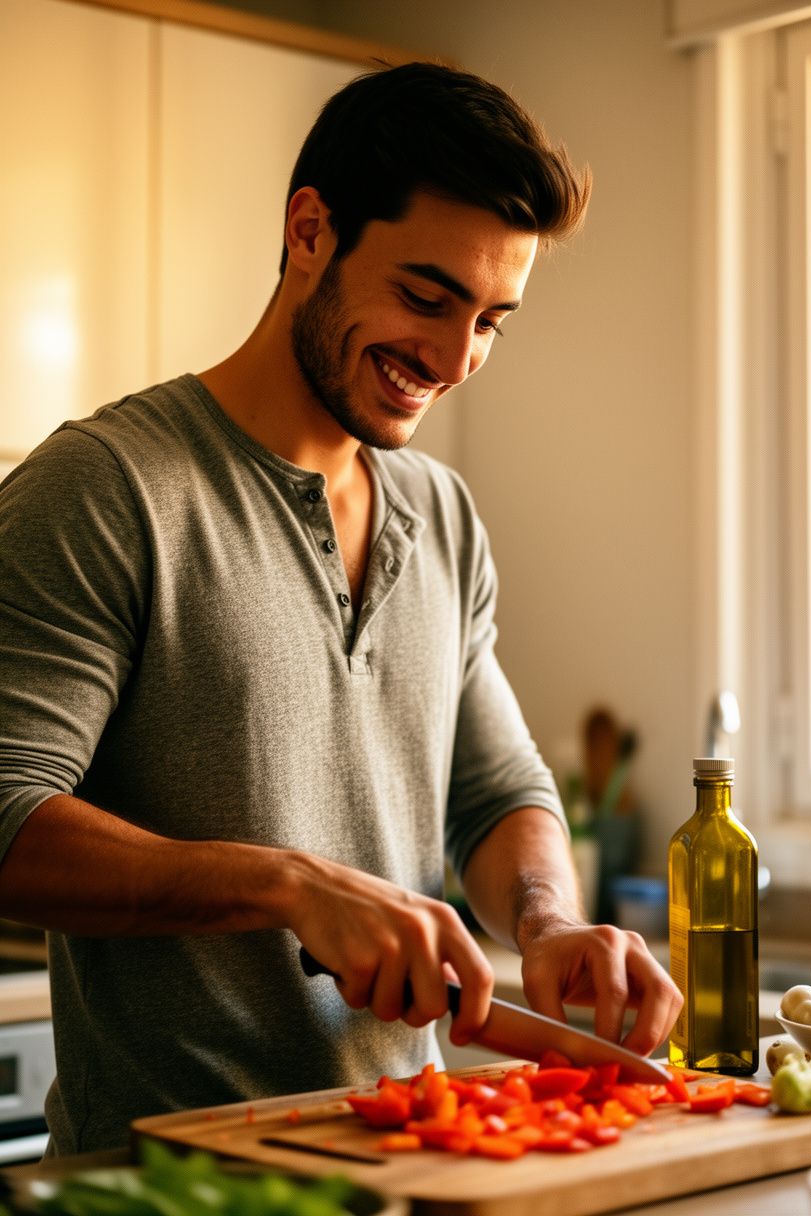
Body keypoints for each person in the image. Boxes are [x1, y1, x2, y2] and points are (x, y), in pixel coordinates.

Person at [0, 60, 682, 1155]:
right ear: (308, 231)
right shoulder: (106, 489)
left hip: (398, 1159)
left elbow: (496, 790)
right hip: (168, 1184)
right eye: (425, 297)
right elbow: (5, 811)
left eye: (491, 320)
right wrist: (286, 882)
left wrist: (550, 921)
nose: (455, 358)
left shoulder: (440, 513)